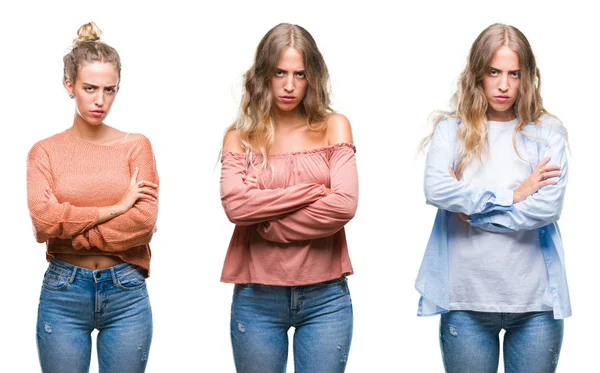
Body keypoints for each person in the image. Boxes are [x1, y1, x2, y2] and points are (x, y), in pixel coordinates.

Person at [415, 23, 570, 373]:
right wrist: (514, 194)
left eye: (514, 74)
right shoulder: (451, 132)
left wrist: (475, 214)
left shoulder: (548, 134)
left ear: (527, 77)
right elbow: (437, 190)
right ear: (477, 75)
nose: (504, 85)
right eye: (494, 72)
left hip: (535, 304)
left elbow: (546, 208)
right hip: (466, 300)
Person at [219, 23, 358, 373]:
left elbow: (344, 205)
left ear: (313, 77)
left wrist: (267, 217)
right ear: (264, 74)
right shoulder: (241, 137)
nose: (289, 85)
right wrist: (313, 192)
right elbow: (236, 206)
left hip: (325, 298)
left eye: (300, 74)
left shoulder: (334, 126)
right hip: (257, 298)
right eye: (279, 72)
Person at [27, 22, 159, 373]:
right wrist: (115, 209)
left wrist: (68, 230)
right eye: (90, 88)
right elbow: (43, 221)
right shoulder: (45, 152)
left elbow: (144, 224)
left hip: (126, 291)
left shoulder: (136, 146)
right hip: (63, 292)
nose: (100, 100)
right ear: (69, 85)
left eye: (109, 89)